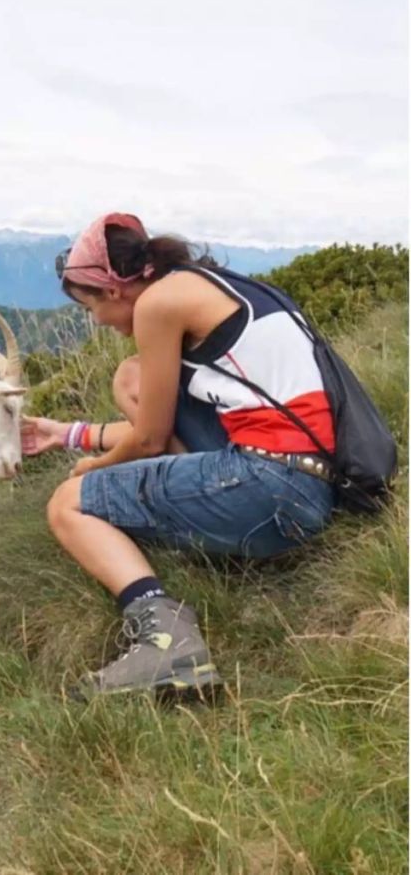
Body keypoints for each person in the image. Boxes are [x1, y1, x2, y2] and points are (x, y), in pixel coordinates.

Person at [22, 212, 336, 699]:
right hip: (310, 481)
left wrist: (92, 469)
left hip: (269, 482)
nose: (97, 322)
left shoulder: (158, 305)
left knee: (69, 503)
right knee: (133, 376)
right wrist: (69, 434)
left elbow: (148, 441)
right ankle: (221, 541)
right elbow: (155, 421)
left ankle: (166, 636)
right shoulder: (208, 285)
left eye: (89, 308)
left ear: (114, 290)